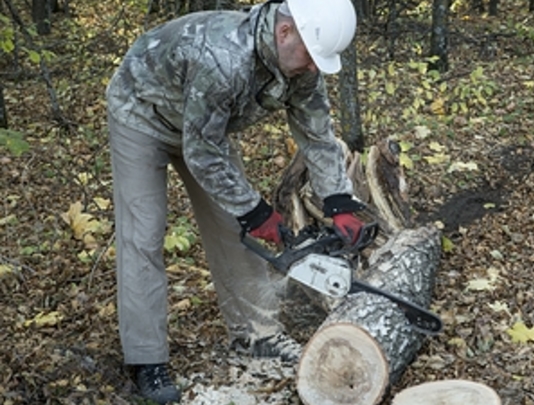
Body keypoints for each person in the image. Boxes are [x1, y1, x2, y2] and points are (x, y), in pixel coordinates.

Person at [105, 0, 365, 403]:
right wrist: (256, 211)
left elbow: (317, 133)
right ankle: (147, 359)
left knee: (231, 228)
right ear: (285, 32)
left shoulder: (301, 63)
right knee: (144, 231)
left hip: (203, 124)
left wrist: (338, 200)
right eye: (312, 57)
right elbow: (203, 154)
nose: (315, 67)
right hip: (141, 111)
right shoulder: (222, 58)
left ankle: (256, 336)